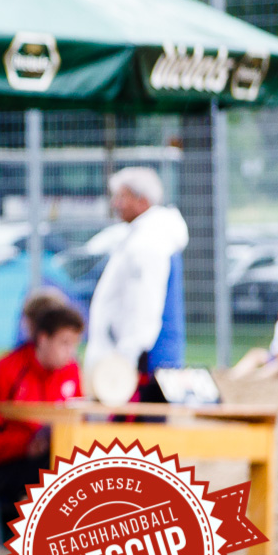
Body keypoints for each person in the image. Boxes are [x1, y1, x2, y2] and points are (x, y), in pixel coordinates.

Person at [0, 302, 84, 529]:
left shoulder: (71, 371)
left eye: (74, 344)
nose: (70, 352)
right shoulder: (2, 371)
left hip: (54, 458)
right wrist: (25, 445)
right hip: (6, 466)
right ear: (43, 339)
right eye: (64, 343)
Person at [86, 167, 189, 402]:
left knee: (140, 434)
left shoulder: (149, 243)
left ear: (142, 200)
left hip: (144, 362)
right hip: (147, 358)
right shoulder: (148, 237)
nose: (116, 204)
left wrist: (127, 357)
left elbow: (145, 302)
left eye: (122, 197)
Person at [229, 298, 278, 379]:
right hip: (277, 358)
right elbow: (276, 349)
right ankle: (233, 376)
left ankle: (257, 378)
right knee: (256, 353)